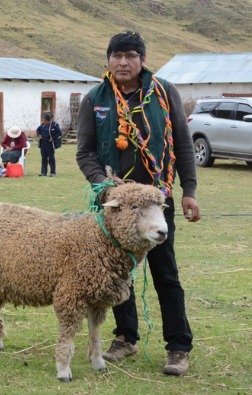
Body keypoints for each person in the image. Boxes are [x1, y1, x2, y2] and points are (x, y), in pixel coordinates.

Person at [76, 31, 201, 376]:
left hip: (157, 202)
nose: (123, 62)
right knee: (118, 273)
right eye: (116, 56)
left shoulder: (162, 93)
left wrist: (188, 189)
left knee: (165, 274)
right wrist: (103, 185)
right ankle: (125, 337)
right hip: (115, 206)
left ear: (143, 60)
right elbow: (84, 151)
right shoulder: (95, 99)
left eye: (130, 56)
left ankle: (178, 347)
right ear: (108, 60)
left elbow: (183, 144)